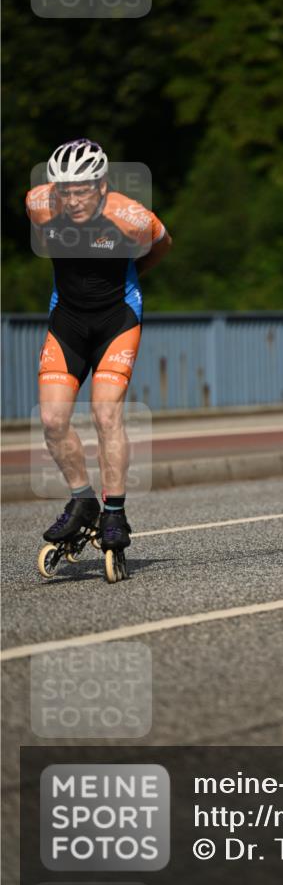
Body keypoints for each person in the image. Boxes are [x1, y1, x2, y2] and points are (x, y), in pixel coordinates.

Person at [26, 138, 172, 565]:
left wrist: (131, 272)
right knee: (52, 420)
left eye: (83, 188)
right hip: (67, 320)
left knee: (106, 413)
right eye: (64, 189)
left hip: (116, 320)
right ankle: (83, 500)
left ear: (103, 184)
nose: (72, 198)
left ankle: (114, 512)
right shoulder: (38, 203)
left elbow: (162, 245)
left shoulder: (130, 216)